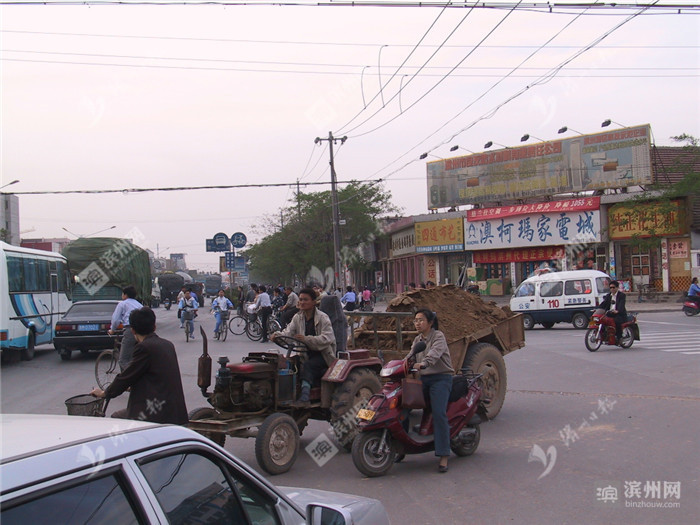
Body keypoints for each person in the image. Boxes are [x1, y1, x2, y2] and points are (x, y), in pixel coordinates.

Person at [90, 307, 188, 425]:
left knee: (117, 417)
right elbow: (154, 374)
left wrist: (104, 393)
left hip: (157, 413)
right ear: (154, 327)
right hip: (174, 409)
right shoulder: (167, 345)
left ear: (133, 331)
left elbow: (126, 377)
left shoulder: (144, 348)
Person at [405, 309, 454, 473]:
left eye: (420, 320)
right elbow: (410, 356)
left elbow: (435, 353)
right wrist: (400, 364)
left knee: (439, 412)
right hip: (423, 380)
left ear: (430, 322)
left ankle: (444, 455)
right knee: (402, 405)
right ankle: (401, 446)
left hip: (441, 379)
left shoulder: (438, 336)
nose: (417, 323)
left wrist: (424, 363)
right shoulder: (417, 340)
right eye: (415, 321)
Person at [271, 287, 336, 404]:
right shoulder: (297, 317)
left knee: (308, 366)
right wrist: (276, 336)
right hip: (305, 353)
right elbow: (288, 333)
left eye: (305, 300)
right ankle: (284, 395)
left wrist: (307, 339)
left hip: (323, 355)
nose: (302, 302)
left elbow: (327, 339)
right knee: (287, 364)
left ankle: (305, 396)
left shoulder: (323, 318)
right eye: (300, 299)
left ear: (314, 302)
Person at [110, 285, 143, 371]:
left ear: (125, 295)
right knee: (134, 358)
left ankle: (128, 379)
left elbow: (116, 319)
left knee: (123, 360)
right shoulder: (139, 304)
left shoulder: (122, 304)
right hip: (141, 332)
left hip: (130, 331)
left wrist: (112, 330)